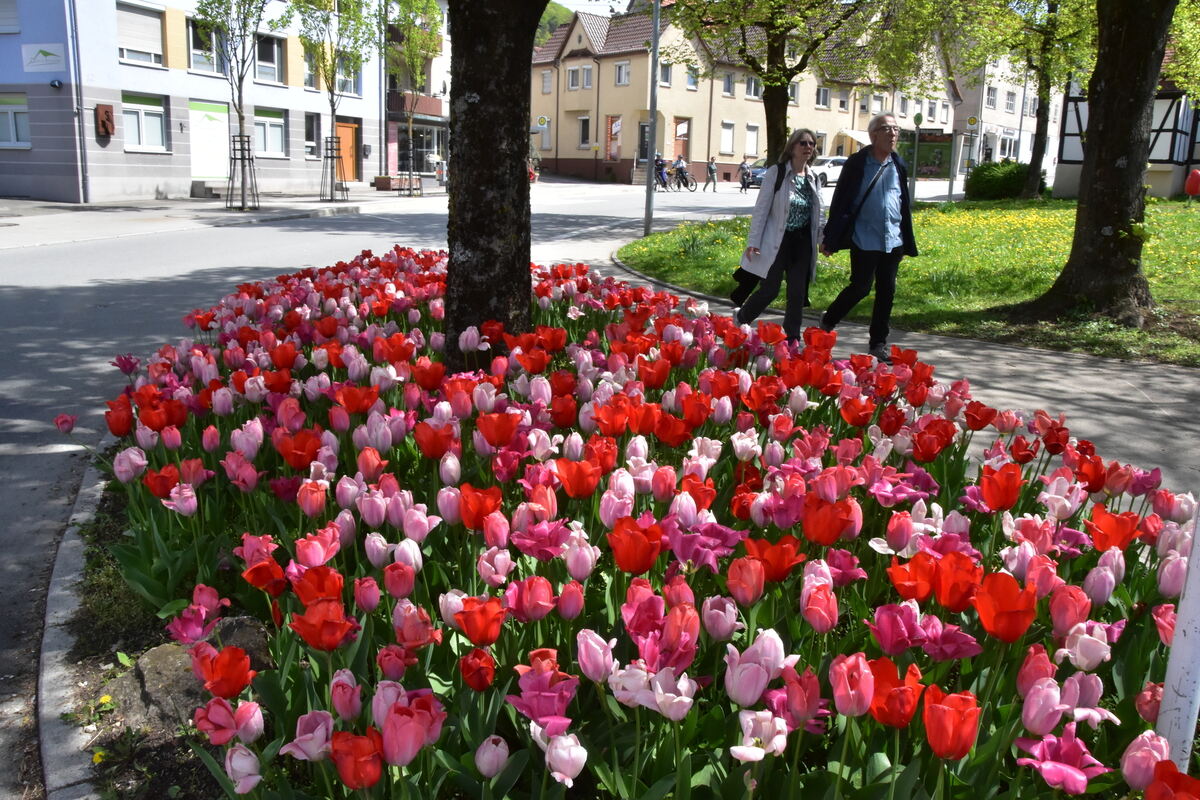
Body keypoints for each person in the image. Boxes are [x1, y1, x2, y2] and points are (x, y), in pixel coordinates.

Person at [819, 113, 918, 365]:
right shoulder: (857, 163)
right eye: (887, 129)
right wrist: (830, 237)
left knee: (887, 291)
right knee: (861, 287)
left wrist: (905, 237)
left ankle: (878, 344)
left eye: (896, 129)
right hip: (865, 238)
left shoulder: (898, 164)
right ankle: (828, 320)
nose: (893, 134)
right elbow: (841, 200)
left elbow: (902, 202)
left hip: (892, 239)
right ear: (873, 135)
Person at [732, 129, 823, 344]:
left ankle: (792, 337)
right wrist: (753, 241)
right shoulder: (777, 173)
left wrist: (822, 240)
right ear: (792, 147)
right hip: (778, 240)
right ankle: (742, 317)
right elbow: (761, 209)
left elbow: (819, 214)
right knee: (770, 289)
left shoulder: (813, 177)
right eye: (803, 143)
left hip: (802, 242)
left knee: (797, 293)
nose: (808, 147)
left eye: (811, 143)